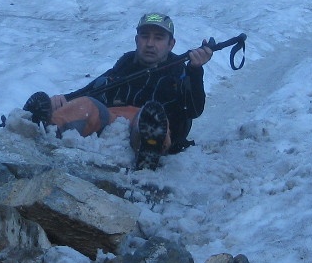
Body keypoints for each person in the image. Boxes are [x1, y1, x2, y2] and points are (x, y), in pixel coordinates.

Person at [23, 11, 213, 169]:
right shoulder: (124, 65)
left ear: (171, 44)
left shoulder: (181, 72)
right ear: (136, 40)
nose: (150, 43)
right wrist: (63, 101)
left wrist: (195, 71)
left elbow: (194, 110)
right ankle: (43, 127)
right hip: (115, 123)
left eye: (158, 38)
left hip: (153, 130)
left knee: (148, 117)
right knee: (85, 104)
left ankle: (148, 151)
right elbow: (91, 90)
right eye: (145, 36)